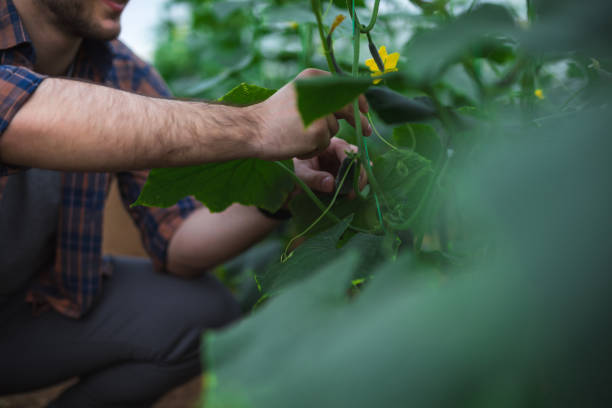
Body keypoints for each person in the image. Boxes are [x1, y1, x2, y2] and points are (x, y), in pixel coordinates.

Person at [0, 0, 371, 406]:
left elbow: (178, 241)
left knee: (199, 313)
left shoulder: (121, 70)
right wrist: (257, 123)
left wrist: (282, 186)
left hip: (23, 309)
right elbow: (16, 114)